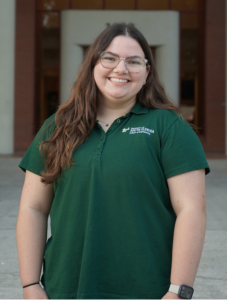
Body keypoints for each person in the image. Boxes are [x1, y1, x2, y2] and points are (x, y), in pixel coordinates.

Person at [16, 23, 210, 299]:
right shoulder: (57, 128)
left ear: (147, 72)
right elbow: (33, 208)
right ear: (93, 64)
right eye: (110, 58)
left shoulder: (170, 127)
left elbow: (191, 210)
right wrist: (31, 285)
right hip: (65, 289)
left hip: (147, 290)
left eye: (134, 61)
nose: (121, 68)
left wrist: (178, 291)